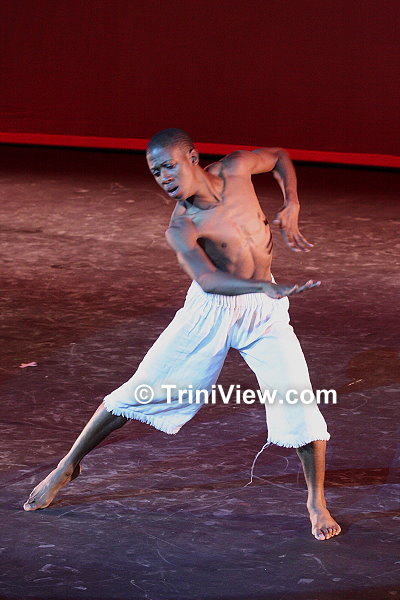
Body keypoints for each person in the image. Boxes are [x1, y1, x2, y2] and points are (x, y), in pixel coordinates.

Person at [23, 128, 341, 541]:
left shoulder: (236, 168)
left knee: (297, 397)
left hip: (264, 311)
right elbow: (208, 280)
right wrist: (261, 286)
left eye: (169, 166)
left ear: (192, 157)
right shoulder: (182, 225)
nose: (164, 178)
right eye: (156, 172)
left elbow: (279, 155)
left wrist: (291, 202)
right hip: (211, 312)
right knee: (142, 389)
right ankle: (67, 465)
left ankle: (316, 502)